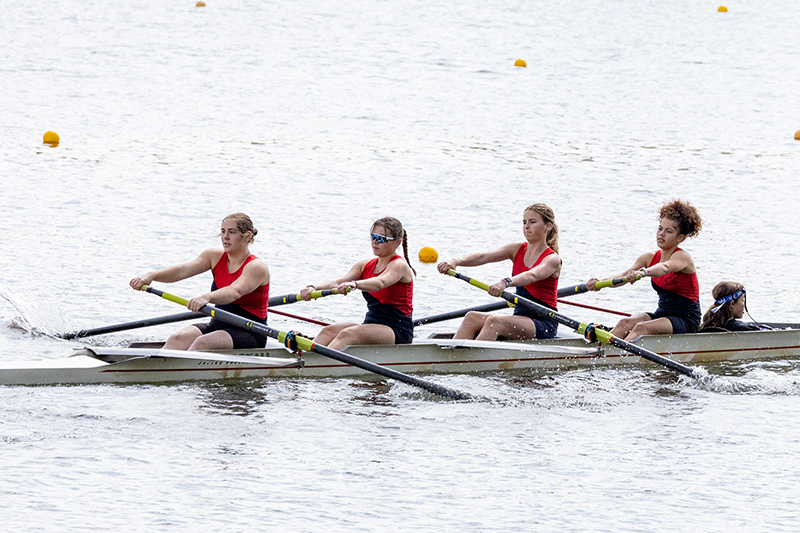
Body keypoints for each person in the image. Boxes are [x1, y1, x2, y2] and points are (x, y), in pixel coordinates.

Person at [129, 213, 270, 351]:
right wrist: (151, 276)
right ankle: (156, 368)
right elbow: (181, 270)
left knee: (202, 343)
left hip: (250, 332)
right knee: (177, 338)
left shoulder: (256, 267)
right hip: (217, 325)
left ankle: (177, 371)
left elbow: (234, 292)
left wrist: (206, 297)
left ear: (247, 236)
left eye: (232, 232)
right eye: (222, 231)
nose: (225, 237)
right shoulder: (213, 256)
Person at [436, 203, 561, 341]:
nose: (526, 226)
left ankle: (471, 360)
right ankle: (454, 357)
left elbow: (532, 275)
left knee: (494, 322)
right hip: (520, 317)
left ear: (548, 226)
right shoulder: (516, 249)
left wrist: (505, 282)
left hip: (544, 323)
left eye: (532, 222)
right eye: (524, 222)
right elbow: (482, 257)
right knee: (471, 317)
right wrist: (455, 262)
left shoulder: (552, 259)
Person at [586, 199, 702, 340]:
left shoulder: (682, 257)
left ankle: (615, 357)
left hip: (686, 320)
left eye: (669, 231)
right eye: (660, 228)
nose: (661, 234)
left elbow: (665, 267)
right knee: (625, 323)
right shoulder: (649, 257)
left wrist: (643, 272)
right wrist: (599, 283)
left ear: (681, 237)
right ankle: (601, 354)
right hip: (662, 314)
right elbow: (622, 276)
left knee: (641, 328)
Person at [299, 217, 415, 351]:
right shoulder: (364, 265)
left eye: (381, 238)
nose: (375, 242)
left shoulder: (399, 265)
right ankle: (304, 361)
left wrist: (355, 284)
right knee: (328, 331)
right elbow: (338, 282)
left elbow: (381, 282)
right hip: (371, 324)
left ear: (397, 242)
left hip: (397, 330)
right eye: (373, 236)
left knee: (347, 334)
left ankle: (316, 366)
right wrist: (313, 287)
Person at [699, 281, 765, 332]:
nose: (744, 305)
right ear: (732, 304)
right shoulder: (744, 328)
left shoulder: (706, 326)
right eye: (742, 300)